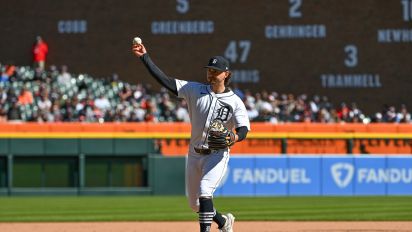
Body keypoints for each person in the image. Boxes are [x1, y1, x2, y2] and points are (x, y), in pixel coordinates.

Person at [132, 40, 250, 232]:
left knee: (205, 192)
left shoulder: (235, 102)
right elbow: (165, 80)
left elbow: (243, 129)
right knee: (195, 205)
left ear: (226, 74)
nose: (210, 73)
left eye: (215, 70)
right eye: (209, 69)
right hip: (194, 154)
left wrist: (234, 138)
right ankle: (223, 222)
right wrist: (145, 57)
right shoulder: (194, 89)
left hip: (217, 155)